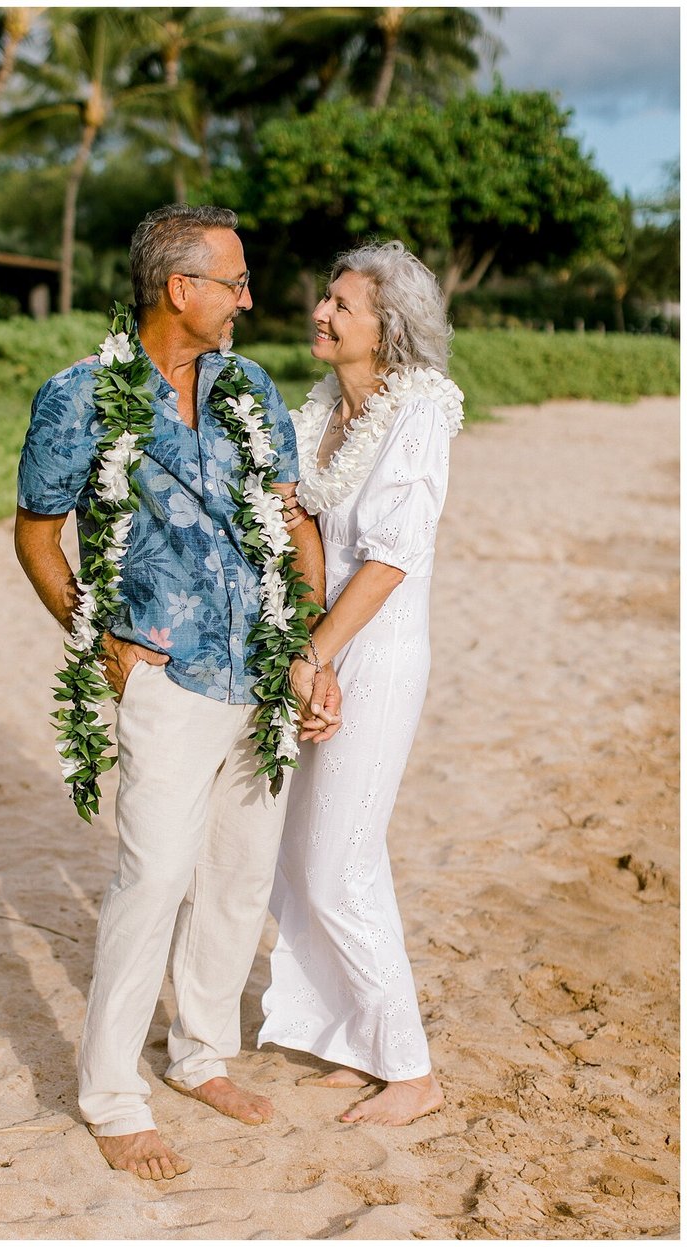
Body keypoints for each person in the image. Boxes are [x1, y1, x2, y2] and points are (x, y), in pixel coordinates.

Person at [14, 204, 341, 1180]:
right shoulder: (79, 396)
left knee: (239, 875)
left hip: (263, 675)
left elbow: (290, 524)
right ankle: (111, 1093)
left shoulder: (250, 386)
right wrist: (95, 635)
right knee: (151, 876)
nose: (248, 297)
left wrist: (310, 645)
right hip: (165, 676)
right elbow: (36, 535)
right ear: (179, 288)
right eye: (233, 280)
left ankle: (200, 1054)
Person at [259, 240, 464, 1127]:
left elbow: (389, 560)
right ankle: (353, 1038)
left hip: (373, 654)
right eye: (326, 299)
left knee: (339, 860)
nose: (322, 313)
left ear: (389, 327)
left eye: (343, 304)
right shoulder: (317, 413)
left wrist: (320, 656)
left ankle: (411, 1070)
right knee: (303, 855)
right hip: (321, 643)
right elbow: (300, 529)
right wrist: (303, 647)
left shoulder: (419, 413)